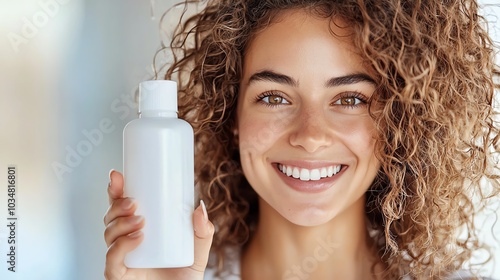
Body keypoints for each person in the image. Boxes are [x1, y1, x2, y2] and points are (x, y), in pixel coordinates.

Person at [103, 0, 500, 279]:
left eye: (349, 99)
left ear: (399, 122)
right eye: (274, 98)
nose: (310, 136)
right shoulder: (167, 273)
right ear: (232, 115)